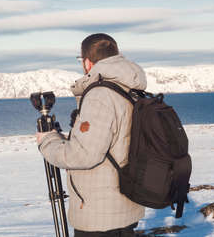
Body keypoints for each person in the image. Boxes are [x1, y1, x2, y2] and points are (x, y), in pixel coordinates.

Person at [36, 33, 146, 237]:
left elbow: (84, 155)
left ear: (87, 62)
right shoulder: (130, 88)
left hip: (101, 214)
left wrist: (47, 141)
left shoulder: (100, 95)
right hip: (126, 200)